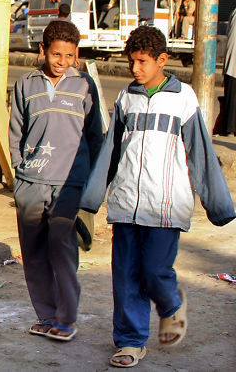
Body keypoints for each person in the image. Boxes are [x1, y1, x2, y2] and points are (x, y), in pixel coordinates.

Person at [80, 26, 235, 368]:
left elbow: (201, 155)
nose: (134, 69)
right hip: (126, 205)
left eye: (142, 61)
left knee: (154, 271)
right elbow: (110, 153)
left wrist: (218, 205)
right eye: (131, 61)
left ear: (161, 59)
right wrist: (91, 199)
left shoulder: (183, 98)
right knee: (125, 276)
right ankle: (131, 341)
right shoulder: (126, 98)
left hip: (166, 207)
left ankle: (170, 303)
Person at [9, 20, 105, 343]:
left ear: (76, 54)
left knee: (62, 250)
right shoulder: (25, 84)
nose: (62, 61)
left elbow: (95, 136)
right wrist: (19, 170)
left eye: (69, 55)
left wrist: (91, 181)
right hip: (31, 182)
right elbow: (15, 131)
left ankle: (65, 319)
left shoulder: (85, 86)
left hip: (69, 184)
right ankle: (46, 316)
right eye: (56, 54)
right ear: (43, 50)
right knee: (34, 252)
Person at [218, 7, 236, 135]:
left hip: (231, 64)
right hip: (233, 64)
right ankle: (230, 128)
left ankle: (229, 127)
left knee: (231, 99)